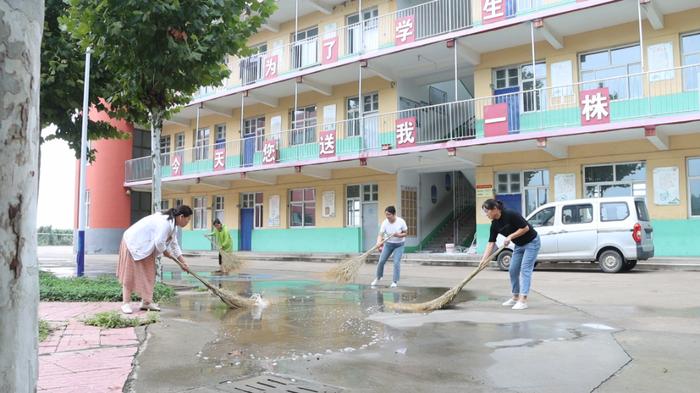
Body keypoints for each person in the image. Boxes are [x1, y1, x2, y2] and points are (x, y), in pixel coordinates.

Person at [117, 206, 192, 314]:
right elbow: (159, 242)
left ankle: (146, 302)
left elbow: (175, 245)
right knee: (130, 274)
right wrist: (166, 253)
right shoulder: (165, 223)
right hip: (133, 242)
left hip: (146, 246)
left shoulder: (173, 225)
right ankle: (126, 303)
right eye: (188, 219)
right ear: (181, 217)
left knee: (149, 273)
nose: (188, 222)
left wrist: (183, 263)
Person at [481, 199, 541, 310]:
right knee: (512, 269)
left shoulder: (510, 214)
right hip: (519, 245)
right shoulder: (494, 224)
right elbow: (491, 243)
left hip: (532, 242)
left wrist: (510, 237)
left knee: (525, 269)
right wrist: (484, 260)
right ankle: (515, 297)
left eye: (486, 211)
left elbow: (525, 228)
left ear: (494, 209)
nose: (486, 214)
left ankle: (523, 300)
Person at [371, 206, 408, 288]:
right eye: (386, 214)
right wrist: (378, 242)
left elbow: (405, 233)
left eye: (389, 214)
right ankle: (378, 277)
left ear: (394, 214)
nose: (387, 216)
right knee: (381, 261)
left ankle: (394, 281)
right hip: (388, 244)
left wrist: (398, 235)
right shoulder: (385, 223)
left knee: (396, 262)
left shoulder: (401, 221)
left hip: (399, 245)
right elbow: (380, 234)